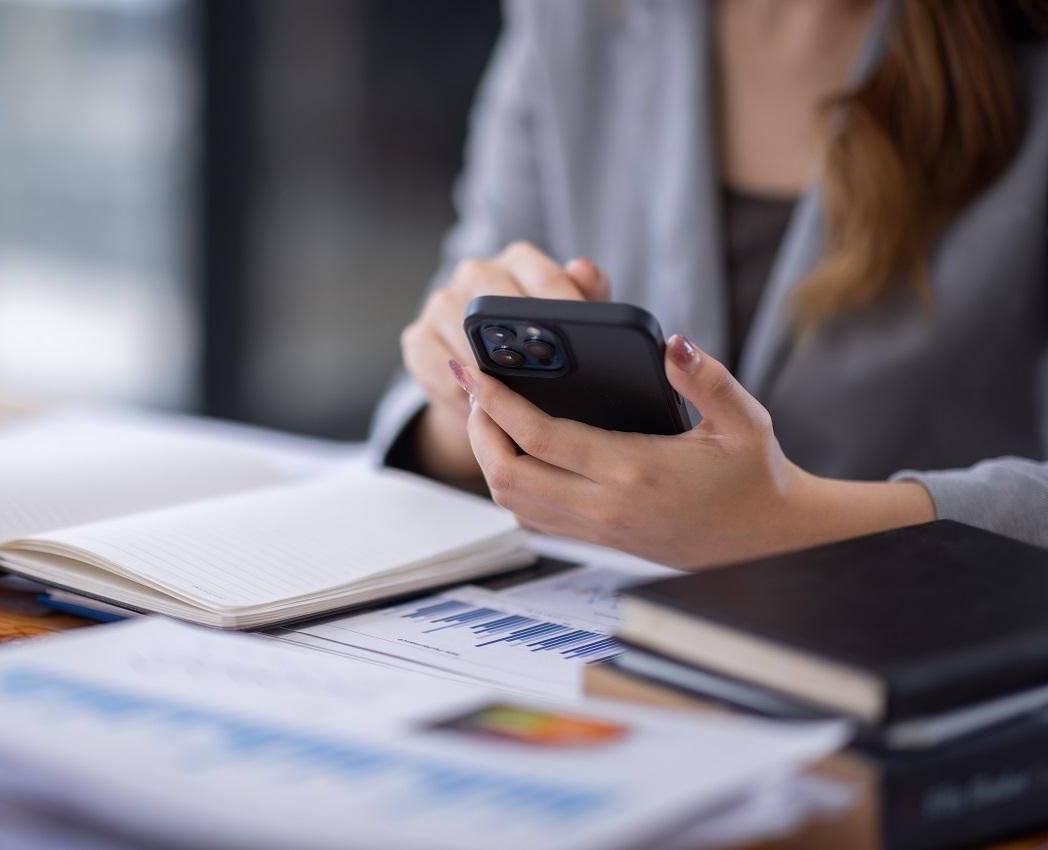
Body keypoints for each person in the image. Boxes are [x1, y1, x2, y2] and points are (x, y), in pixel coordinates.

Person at [371, 0, 1048, 568]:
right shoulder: (576, 15)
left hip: (938, 674)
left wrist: (792, 525)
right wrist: (465, 405)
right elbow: (440, 371)